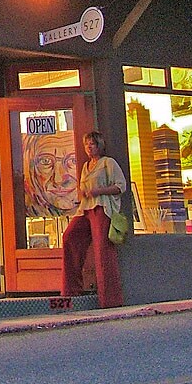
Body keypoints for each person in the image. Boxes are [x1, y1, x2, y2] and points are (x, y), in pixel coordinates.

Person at [61, 130, 126, 308]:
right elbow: (83, 190)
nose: (89, 147)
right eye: (87, 144)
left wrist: (98, 191)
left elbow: (121, 186)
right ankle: (71, 291)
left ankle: (110, 300)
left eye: (93, 144)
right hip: (85, 210)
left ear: (99, 145)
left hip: (102, 208)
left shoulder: (108, 163)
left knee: (102, 251)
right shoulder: (85, 166)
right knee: (70, 237)